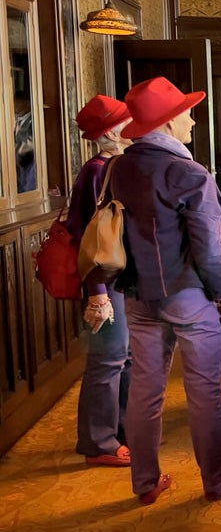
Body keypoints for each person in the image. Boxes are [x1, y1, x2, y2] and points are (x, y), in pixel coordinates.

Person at [109, 76, 221, 506]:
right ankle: (216, 481)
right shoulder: (187, 172)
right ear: (168, 122)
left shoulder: (120, 167)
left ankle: (145, 483)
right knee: (204, 391)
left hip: (138, 295)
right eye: (187, 114)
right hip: (189, 295)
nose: (193, 121)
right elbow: (210, 246)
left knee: (144, 390)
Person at [65, 95, 133, 468]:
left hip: (119, 279)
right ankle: (98, 442)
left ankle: (121, 430)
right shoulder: (96, 171)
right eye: (126, 121)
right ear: (111, 131)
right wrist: (97, 294)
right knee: (107, 359)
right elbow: (85, 238)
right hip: (104, 283)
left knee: (125, 357)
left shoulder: (114, 165)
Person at [14, 90, 36, 192]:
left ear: (26, 103)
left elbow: (30, 144)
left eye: (17, 103)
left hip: (29, 168)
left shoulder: (34, 121)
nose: (14, 106)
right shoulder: (16, 121)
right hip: (17, 170)